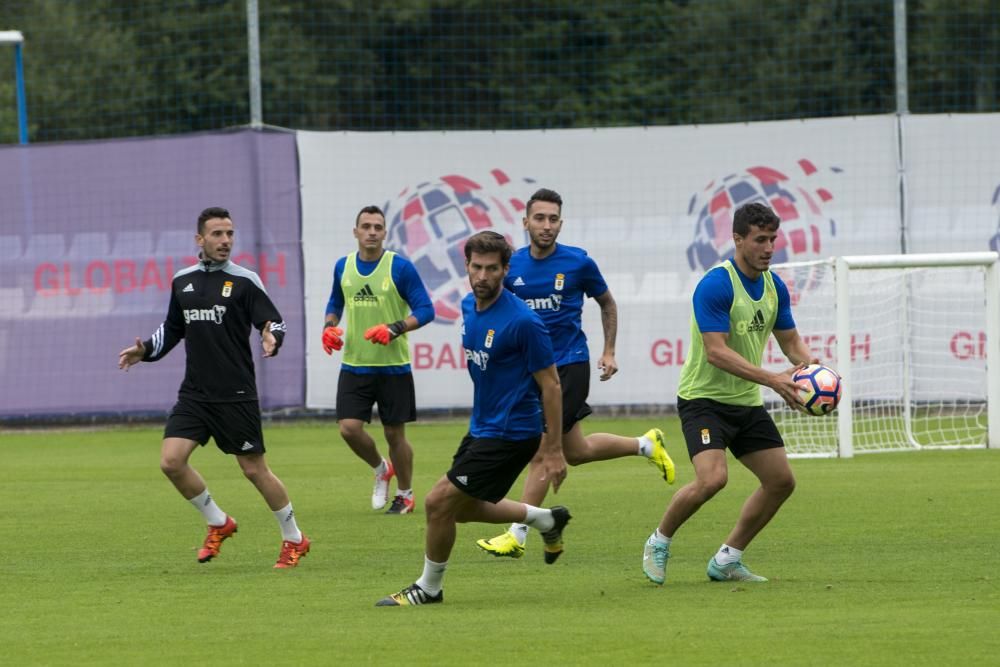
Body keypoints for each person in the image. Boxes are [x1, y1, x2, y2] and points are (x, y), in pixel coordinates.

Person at [477, 188, 675, 563]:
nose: (546, 226)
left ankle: (516, 533)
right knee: (576, 451)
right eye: (539, 218)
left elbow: (607, 302)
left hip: (568, 366)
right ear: (525, 223)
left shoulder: (579, 263)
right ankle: (646, 444)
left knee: (541, 448)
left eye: (553, 219)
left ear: (561, 223)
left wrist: (609, 350)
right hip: (529, 370)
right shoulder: (511, 267)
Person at [376, 231, 571, 606]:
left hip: (512, 433)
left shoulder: (523, 322)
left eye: (492, 269)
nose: (483, 276)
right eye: (476, 267)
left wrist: (554, 450)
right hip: (483, 427)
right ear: (466, 266)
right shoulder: (468, 305)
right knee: (460, 510)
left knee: (437, 502)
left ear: (505, 270)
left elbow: (552, 386)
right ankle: (546, 520)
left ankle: (429, 588)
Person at [118, 206, 309, 568]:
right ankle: (219, 522)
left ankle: (295, 538)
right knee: (171, 462)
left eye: (230, 234)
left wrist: (272, 336)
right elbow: (172, 329)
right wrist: (144, 350)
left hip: (235, 393)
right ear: (200, 239)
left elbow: (273, 321)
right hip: (195, 394)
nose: (225, 241)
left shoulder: (245, 280)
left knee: (254, 470)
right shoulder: (183, 281)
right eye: (218, 234)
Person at [641, 202, 817, 585]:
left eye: (773, 239)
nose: (768, 247)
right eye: (759, 240)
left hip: (745, 403)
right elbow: (716, 352)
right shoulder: (717, 284)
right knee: (712, 480)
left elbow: (791, 342)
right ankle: (659, 540)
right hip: (703, 401)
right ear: (737, 239)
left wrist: (816, 372)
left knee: (781, 482)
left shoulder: (774, 286)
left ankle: (727, 559)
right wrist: (772, 379)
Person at [321, 205, 434, 514]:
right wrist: (329, 326)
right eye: (366, 226)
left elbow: (426, 310)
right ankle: (382, 468)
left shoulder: (400, 267)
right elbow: (335, 301)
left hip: (393, 367)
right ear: (356, 231)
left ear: (385, 233)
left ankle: (406, 494)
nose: (372, 231)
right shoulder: (342, 266)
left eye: (377, 227)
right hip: (354, 364)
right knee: (349, 429)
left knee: (394, 434)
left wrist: (394, 328)